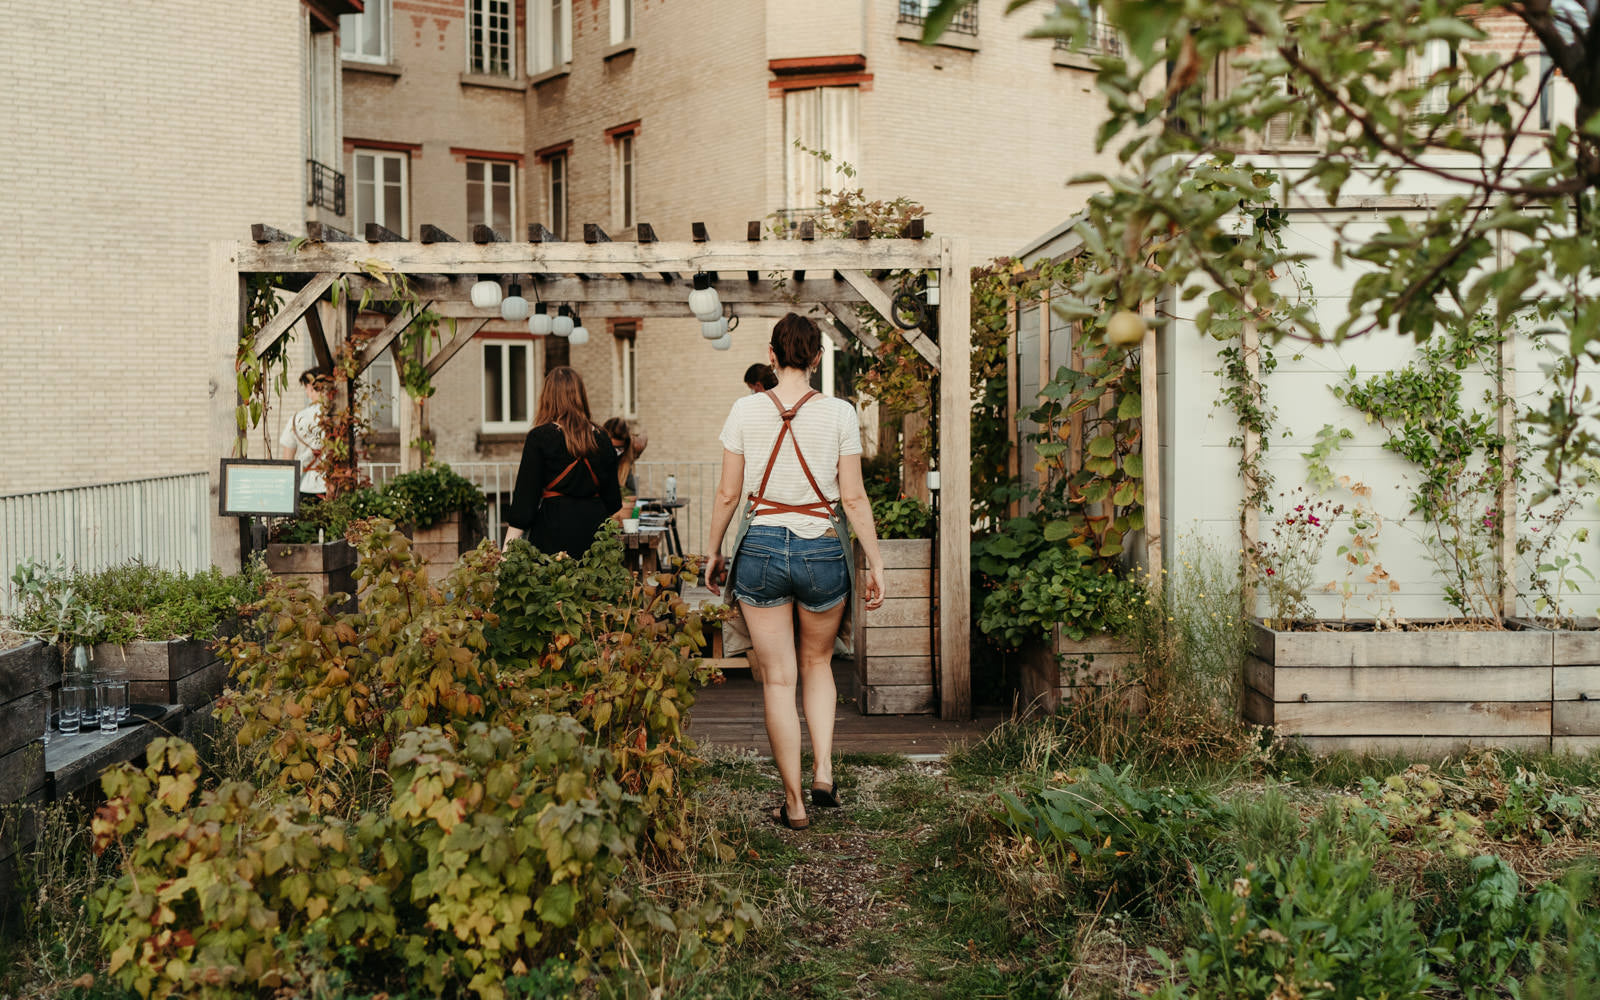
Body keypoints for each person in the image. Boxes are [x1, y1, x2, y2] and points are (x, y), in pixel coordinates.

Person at [707, 313, 886, 831]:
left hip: (760, 547)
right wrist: (875, 562)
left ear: (771, 352)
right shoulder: (839, 414)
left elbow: (727, 494)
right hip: (823, 550)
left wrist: (714, 550)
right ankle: (824, 769)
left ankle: (795, 804)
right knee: (818, 663)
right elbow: (852, 496)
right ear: (816, 357)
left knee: (778, 679)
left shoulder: (744, 410)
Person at [504, 367, 621, 556]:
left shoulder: (539, 437)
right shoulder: (602, 438)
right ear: (581, 395)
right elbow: (614, 501)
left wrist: (505, 555)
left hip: (552, 535)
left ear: (548, 397)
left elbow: (524, 504)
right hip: (595, 539)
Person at [279, 369, 330, 504]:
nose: (306, 393)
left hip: (304, 486)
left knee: (304, 525)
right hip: (332, 486)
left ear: (310, 387)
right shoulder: (337, 419)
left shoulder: (296, 419)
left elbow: (287, 462)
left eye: (306, 388)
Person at [602, 416, 649, 499]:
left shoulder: (632, 449)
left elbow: (644, 437)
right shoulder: (593, 452)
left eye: (619, 448)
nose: (615, 453)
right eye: (612, 448)